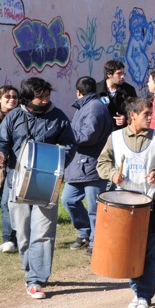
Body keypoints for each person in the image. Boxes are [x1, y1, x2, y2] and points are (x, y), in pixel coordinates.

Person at [0, 77, 75, 299]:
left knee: (44, 232)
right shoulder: (14, 117)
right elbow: (2, 142)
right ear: (28, 99)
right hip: (17, 182)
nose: (46, 100)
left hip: (47, 184)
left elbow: (70, 144)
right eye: (41, 97)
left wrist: (58, 161)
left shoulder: (58, 117)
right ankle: (30, 269)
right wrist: (0, 154)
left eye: (47, 96)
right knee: (23, 232)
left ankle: (35, 279)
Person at [97, 97, 155, 308]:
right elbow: (102, 163)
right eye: (146, 114)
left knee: (149, 251)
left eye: (151, 114)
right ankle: (137, 291)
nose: (150, 117)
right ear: (132, 115)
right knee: (129, 250)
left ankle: (144, 295)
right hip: (123, 205)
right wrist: (113, 174)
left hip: (150, 203)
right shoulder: (115, 137)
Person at [61, 77, 113, 255]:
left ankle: (95, 242)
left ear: (78, 92)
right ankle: (85, 232)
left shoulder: (94, 108)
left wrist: (66, 135)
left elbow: (88, 136)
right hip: (79, 165)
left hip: (93, 165)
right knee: (68, 199)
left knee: (94, 208)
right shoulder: (86, 106)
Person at [0, 85, 19, 253]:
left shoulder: (22, 116)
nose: (11, 100)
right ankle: (9, 239)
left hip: (14, 165)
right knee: (3, 203)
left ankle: (11, 240)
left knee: (10, 203)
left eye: (14, 97)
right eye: (7, 97)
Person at [96, 60, 138, 131]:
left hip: (122, 132)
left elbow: (136, 110)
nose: (122, 76)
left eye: (123, 73)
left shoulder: (129, 90)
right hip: (101, 132)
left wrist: (126, 118)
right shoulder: (96, 90)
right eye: (119, 73)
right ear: (109, 74)